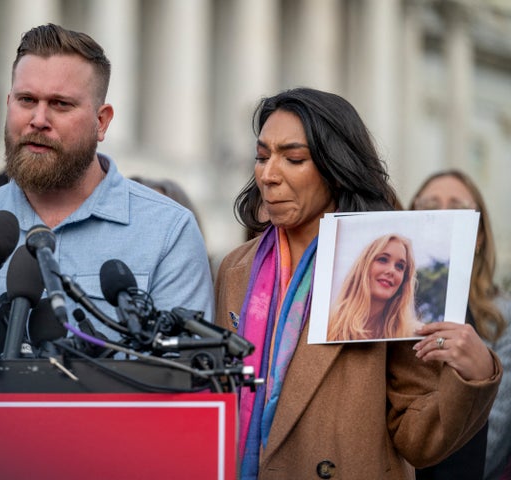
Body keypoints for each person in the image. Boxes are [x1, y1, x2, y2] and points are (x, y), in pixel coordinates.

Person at [213, 87, 501, 479]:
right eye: (262, 157)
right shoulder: (235, 269)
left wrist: (474, 375)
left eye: (293, 158)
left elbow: (418, 437)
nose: (267, 175)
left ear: (335, 168)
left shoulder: (389, 265)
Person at [0, 23, 214, 348]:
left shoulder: (168, 232)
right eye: (26, 100)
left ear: (101, 122)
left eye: (60, 104)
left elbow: (182, 380)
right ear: (8, 103)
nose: (39, 119)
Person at [410, 169, 511, 480]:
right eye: (428, 208)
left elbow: (495, 432)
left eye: (457, 208)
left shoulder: (502, 317)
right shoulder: (383, 307)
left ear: (479, 236)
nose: (443, 217)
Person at [327, 233, 419, 341]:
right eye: (383, 259)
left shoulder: (413, 334)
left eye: (399, 266)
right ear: (364, 266)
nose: (391, 271)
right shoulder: (328, 324)